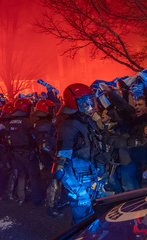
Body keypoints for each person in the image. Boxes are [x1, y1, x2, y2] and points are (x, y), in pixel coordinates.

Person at [52, 83, 103, 224]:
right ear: (75, 103)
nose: (90, 104)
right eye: (86, 101)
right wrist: (78, 191)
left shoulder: (86, 121)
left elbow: (92, 147)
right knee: (82, 222)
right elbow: (60, 167)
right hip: (78, 182)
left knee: (94, 220)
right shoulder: (68, 127)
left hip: (91, 177)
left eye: (90, 100)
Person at [9, 98, 43, 206]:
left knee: (21, 175)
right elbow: (35, 135)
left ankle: (21, 198)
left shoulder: (11, 121)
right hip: (27, 153)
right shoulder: (28, 122)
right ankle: (36, 199)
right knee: (34, 176)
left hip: (15, 153)